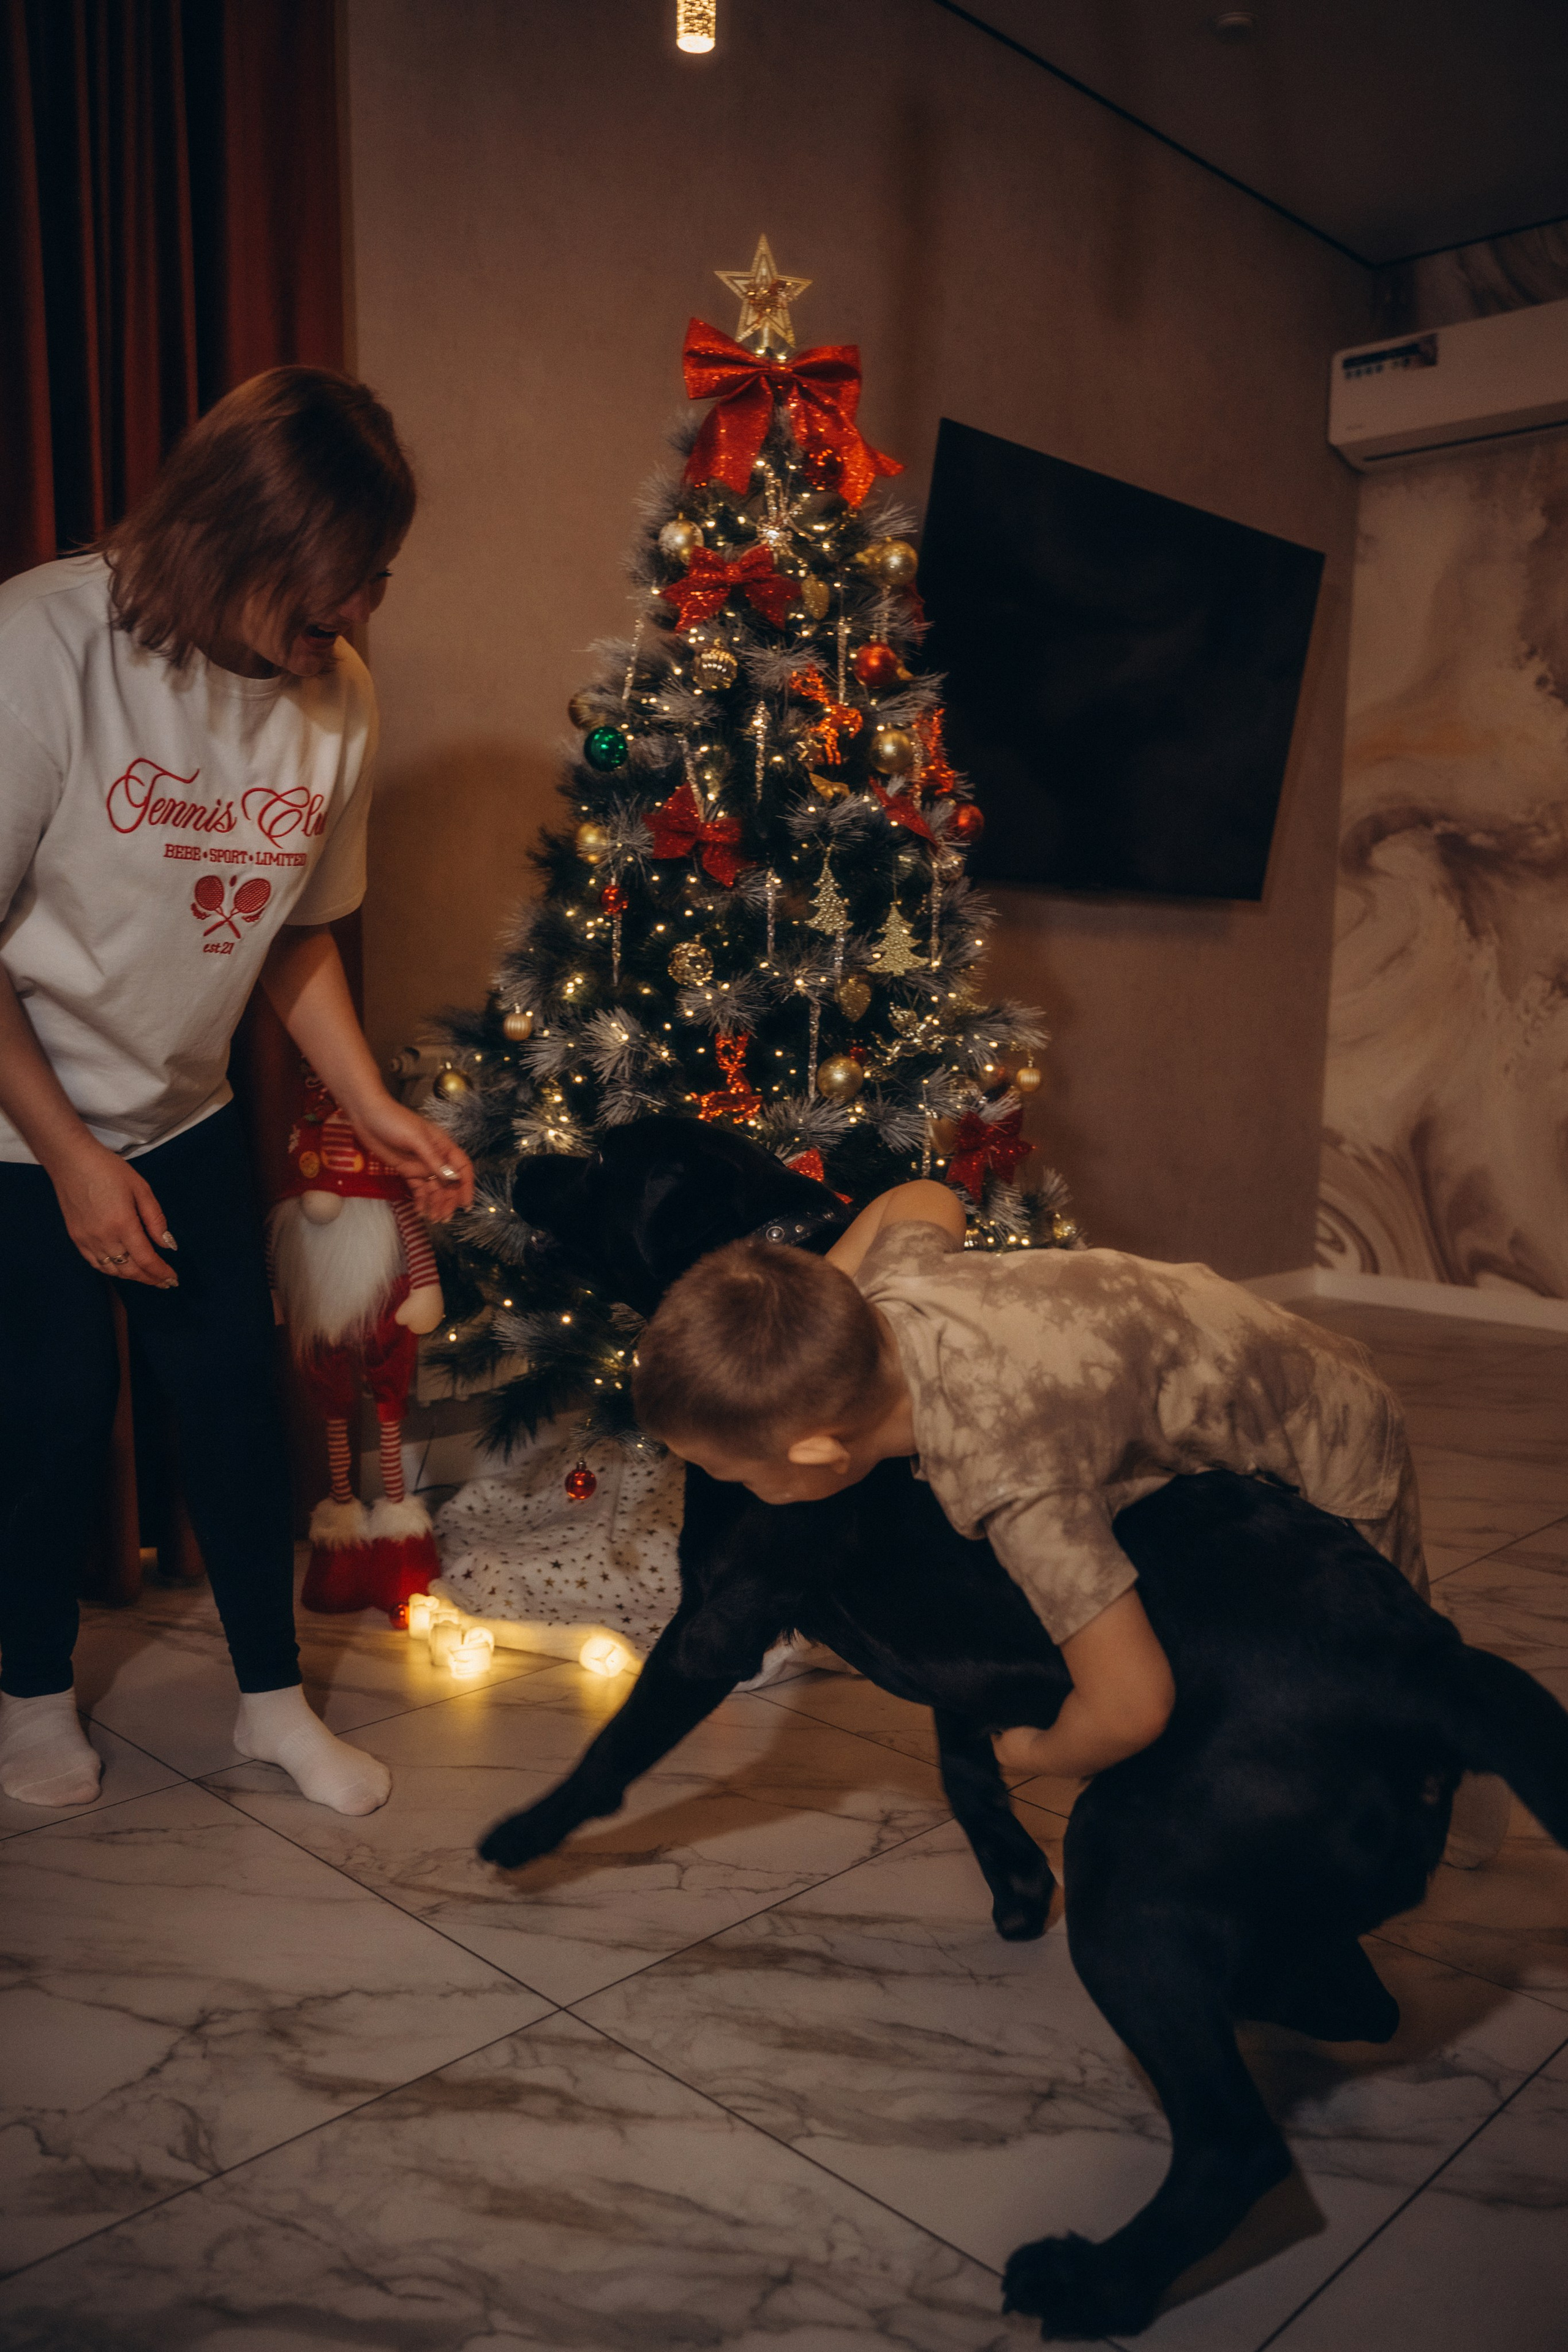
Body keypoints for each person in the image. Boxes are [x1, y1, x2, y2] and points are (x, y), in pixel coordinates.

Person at [0, 366, 473, 1815]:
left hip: (185, 1104)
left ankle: (271, 1707)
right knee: (57, 1410)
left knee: (227, 1401)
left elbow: (297, 932)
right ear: (232, 540)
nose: (346, 626)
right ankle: (28, 1702)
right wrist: (72, 1155)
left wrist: (373, 1103)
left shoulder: (337, 696)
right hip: (19, 1123)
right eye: (325, 592)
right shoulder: (43, 643)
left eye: (363, 590)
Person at [629, 1178, 1433, 1789]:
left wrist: (1037, 1751)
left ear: (816, 1456)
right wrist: (822, 1306)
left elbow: (1130, 1703)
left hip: (1333, 1423)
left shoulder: (1011, 1469)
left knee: (1381, 1655)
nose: (710, 1484)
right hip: (1228, 1344)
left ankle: (1446, 1775)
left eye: (723, 1472)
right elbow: (926, 1195)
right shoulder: (892, 1292)